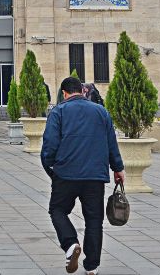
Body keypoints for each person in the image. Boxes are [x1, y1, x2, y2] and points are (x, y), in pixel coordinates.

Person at [41, 75, 125, 275]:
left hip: (66, 174)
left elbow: (49, 146)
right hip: (94, 176)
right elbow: (111, 143)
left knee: (57, 210)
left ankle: (70, 244)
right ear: (82, 90)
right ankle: (92, 266)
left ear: (64, 93)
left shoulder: (58, 112)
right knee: (94, 220)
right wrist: (118, 168)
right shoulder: (101, 111)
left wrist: (51, 169)